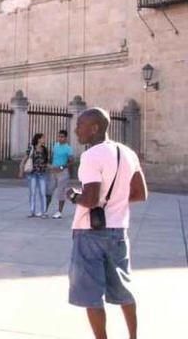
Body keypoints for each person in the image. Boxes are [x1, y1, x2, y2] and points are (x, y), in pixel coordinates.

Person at [67, 108, 147, 339]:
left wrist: (73, 195)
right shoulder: (128, 153)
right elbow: (140, 193)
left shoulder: (91, 156)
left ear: (95, 128)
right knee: (124, 290)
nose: (76, 130)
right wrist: (117, 201)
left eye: (80, 125)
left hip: (90, 233)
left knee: (91, 294)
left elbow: (90, 199)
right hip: (119, 231)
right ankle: (133, 336)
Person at [18, 133, 49, 218]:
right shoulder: (31, 148)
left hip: (42, 173)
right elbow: (24, 160)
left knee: (43, 193)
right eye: (43, 138)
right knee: (32, 193)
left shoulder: (45, 149)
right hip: (32, 174)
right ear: (38, 139)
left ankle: (44, 212)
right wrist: (21, 170)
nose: (44, 139)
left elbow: (46, 162)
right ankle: (32, 211)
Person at [46, 129, 74, 219]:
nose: (60, 138)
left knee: (61, 192)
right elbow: (52, 157)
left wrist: (62, 167)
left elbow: (71, 162)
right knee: (49, 190)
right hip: (53, 171)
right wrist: (50, 165)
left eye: (62, 137)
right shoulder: (55, 146)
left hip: (63, 172)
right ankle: (45, 209)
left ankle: (59, 212)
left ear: (66, 138)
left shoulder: (68, 148)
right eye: (59, 136)